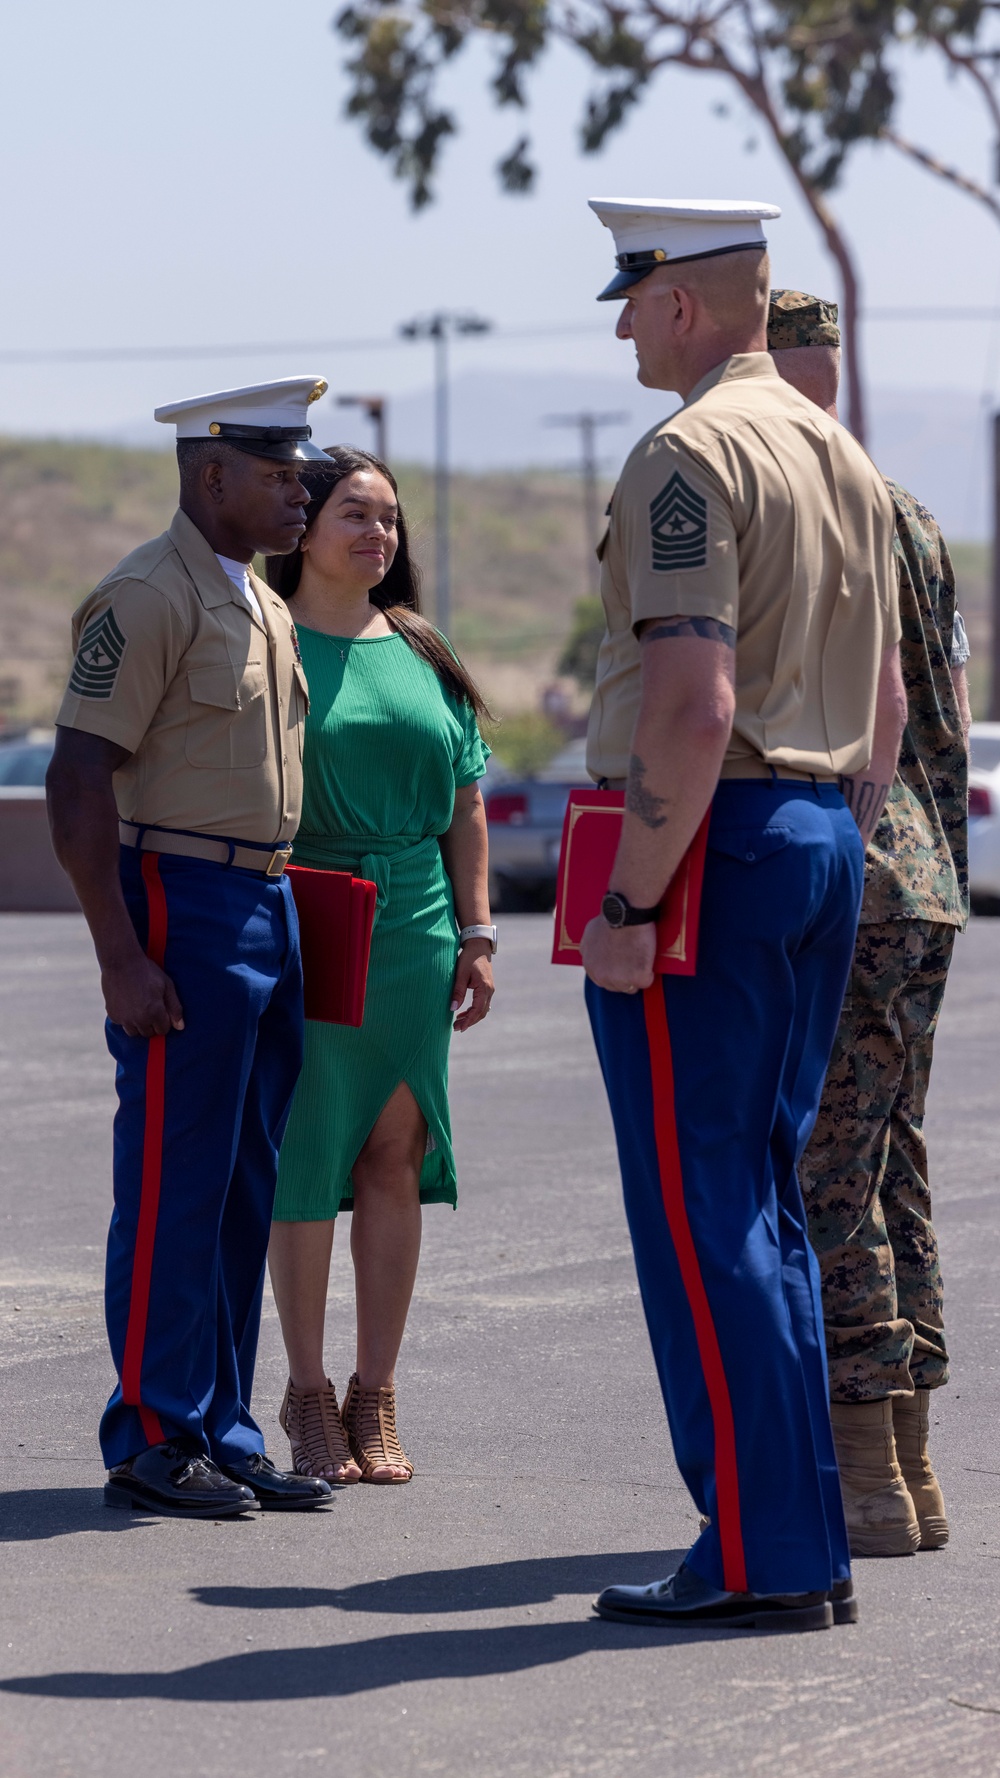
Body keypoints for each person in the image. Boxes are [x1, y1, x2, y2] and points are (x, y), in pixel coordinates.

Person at [579, 198, 907, 1633]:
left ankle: (755, 1548)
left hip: (716, 841)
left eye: (631, 300)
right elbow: (884, 710)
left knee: (706, 1204)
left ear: (680, 306)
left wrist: (631, 899)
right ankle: (797, 1538)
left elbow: (694, 700)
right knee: (763, 1201)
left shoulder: (691, 451)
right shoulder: (842, 450)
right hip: (824, 827)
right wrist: (824, 827)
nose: (622, 326)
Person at [46, 377, 335, 1518]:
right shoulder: (146, 592)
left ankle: (220, 1421)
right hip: (178, 900)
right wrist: (120, 954)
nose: (299, 491)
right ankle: (155, 1432)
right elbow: (76, 778)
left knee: (239, 1181)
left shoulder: (256, 597)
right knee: (174, 1179)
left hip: (263, 902)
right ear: (210, 475)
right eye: (277, 474)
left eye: (301, 472)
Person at [770, 290, 971, 1557]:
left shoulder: (811, 501)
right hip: (927, 875)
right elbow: (950, 709)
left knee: (824, 1169)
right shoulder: (913, 511)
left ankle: (867, 1479)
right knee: (890, 1160)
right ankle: (911, 1467)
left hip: (856, 868)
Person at [263, 446, 495, 1486]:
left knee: (395, 1151)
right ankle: (306, 1391)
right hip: (310, 911)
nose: (377, 533)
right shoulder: (266, 637)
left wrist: (480, 932)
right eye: (354, 513)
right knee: (310, 1153)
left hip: (416, 921)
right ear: (301, 526)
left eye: (389, 518)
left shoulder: (418, 643)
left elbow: (469, 797)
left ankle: (376, 1389)